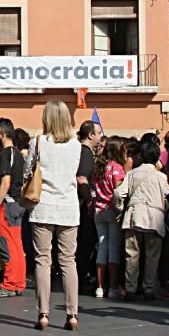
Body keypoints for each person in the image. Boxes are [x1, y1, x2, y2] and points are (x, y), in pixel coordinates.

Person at [28, 100, 82, 332]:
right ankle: (72, 314)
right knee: (69, 261)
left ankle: (43, 313)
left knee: (43, 260)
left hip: (43, 205)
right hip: (68, 206)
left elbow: (28, 171)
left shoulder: (38, 142)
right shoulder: (76, 145)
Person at [114, 140, 169, 300]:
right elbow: (168, 197)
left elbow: (118, 193)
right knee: (152, 256)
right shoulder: (161, 177)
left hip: (133, 215)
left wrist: (120, 208)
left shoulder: (132, 174)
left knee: (132, 255)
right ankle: (148, 288)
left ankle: (130, 287)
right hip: (154, 218)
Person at [0, 118, 26, 298]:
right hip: (18, 203)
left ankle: (10, 284)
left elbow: (6, 180)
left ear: (2, 134)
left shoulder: (7, 154)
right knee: (17, 245)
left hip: (9, 203)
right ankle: (18, 282)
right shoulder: (18, 154)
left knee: (7, 245)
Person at [93, 137, 127, 299]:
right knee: (113, 248)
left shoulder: (99, 167)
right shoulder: (117, 168)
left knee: (102, 247)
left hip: (98, 210)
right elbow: (118, 191)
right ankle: (113, 287)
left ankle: (99, 286)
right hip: (112, 210)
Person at [75, 119, 103, 293]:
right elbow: (82, 178)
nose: (101, 136)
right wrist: (90, 200)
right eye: (99, 133)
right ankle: (81, 276)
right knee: (85, 242)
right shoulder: (85, 153)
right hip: (83, 205)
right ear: (91, 135)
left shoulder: (83, 151)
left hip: (80, 203)